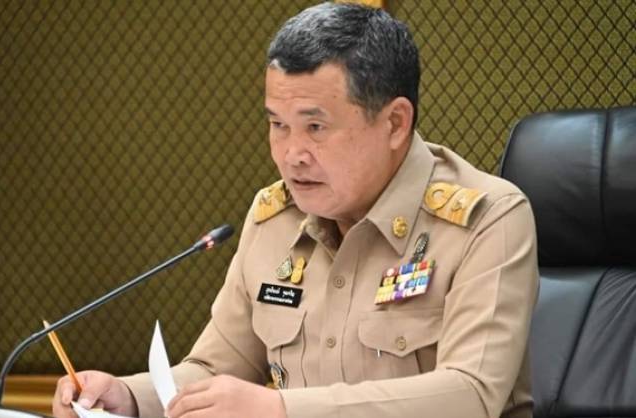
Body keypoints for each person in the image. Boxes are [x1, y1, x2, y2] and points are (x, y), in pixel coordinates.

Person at [53, 2, 538, 418]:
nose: (291, 155)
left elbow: (470, 395)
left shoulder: (488, 220)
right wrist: (129, 397)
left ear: (394, 123)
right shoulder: (275, 219)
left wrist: (282, 410)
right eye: (278, 125)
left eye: (315, 127)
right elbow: (214, 368)